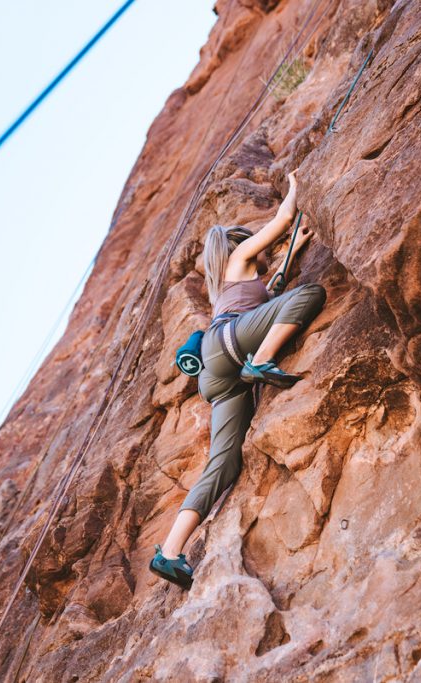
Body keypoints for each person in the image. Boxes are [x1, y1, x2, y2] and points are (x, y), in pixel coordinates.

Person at [149, 170, 327, 590]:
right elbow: (282, 222)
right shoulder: (237, 257)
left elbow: (267, 296)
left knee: (223, 463)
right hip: (235, 346)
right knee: (311, 294)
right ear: (236, 245)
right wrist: (297, 187)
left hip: (218, 372)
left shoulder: (233, 286)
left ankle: (169, 554)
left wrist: (293, 254)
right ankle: (263, 361)